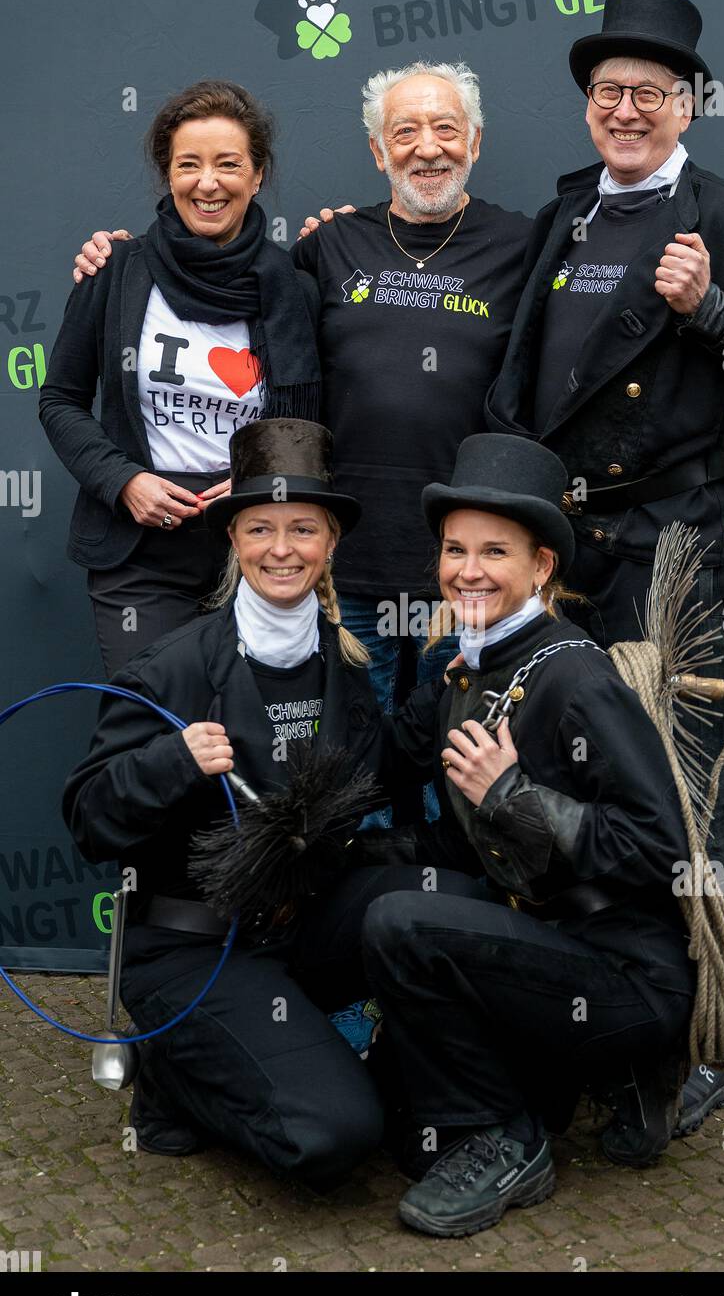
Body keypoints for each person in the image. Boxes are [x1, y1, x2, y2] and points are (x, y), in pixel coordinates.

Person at [484, 0, 724, 1132]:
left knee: (683, 782)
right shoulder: (565, 218)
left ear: (689, 103)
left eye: (648, 92)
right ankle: (592, 1009)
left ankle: (707, 1034)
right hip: (563, 544)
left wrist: (717, 312)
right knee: (566, 774)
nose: (626, 110)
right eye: (607, 92)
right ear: (588, 107)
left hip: (666, 544)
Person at [69, 62, 533, 817]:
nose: (427, 148)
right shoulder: (328, 248)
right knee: (351, 783)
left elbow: (587, 336)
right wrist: (106, 259)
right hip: (348, 571)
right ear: (379, 153)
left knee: (461, 779)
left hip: (464, 572)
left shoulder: (524, 244)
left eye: (446, 128)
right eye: (404, 132)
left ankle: (449, 924)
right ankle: (361, 922)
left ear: (475, 142)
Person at [62, 418, 482, 1189]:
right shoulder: (172, 668)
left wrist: (459, 678)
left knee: (449, 900)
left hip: (296, 933)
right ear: (234, 541)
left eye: (302, 530)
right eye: (260, 528)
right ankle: (172, 1072)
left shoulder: (342, 666)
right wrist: (171, 761)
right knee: (337, 1135)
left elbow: (380, 771)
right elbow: (90, 819)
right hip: (192, 949)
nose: (281, 549)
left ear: (330, 544)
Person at [359, 433, 702, 1237]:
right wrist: (348, 851)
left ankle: (509, 1139)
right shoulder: (470, 667)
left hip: (628, 974)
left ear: (541, 566)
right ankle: (601, 1081)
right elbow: (454, 838)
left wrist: (518, 797)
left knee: (400, 924)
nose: (467, 570)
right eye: (454, 549)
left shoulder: (576, 674)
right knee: (402, 1122)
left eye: (494, 552)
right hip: (544, 952)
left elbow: (663, 850)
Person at [41, 80, 320, 677]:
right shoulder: (114, 271)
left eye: (228, 164)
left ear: (258, 174)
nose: (207, 182)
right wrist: (123, 481)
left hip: (255, 548)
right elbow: (61, 399)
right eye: (188, 164)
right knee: (156, 722)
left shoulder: (294, 288)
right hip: (138, 554)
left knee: (244, 731)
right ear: (167, 174)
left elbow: (311, 424)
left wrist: (259, 478)